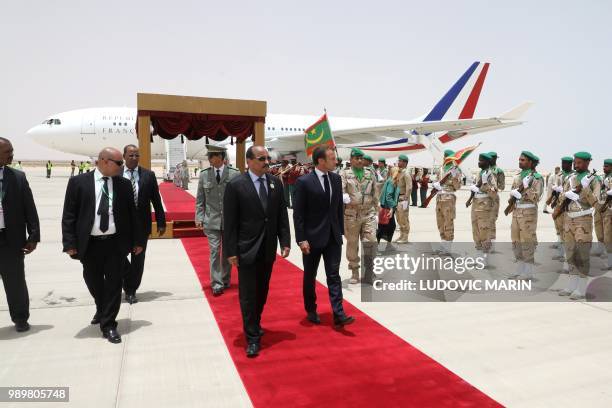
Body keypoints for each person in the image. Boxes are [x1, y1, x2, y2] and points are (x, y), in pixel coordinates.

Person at [61, 147, 144, 343]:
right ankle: (102, 307)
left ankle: (108, 325)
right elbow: (69, 215)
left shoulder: (123, 185)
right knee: (93, 280)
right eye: (119, 163)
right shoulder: (78, 183)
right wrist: (70, 243)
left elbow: (133, 215)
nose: (122, 166)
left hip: (115, 244)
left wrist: (137, 241)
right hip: (90, 244)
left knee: (114, 284)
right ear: (105, 161)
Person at [223, 145, 291, 358]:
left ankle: (255, 321)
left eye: (268, 158)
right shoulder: (236, 185)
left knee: (262, 291)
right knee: (248, 295)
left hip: (268, 248)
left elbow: (281, 216)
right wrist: (231, 251)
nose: (266, 162)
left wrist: (285, 241)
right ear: (249, 161)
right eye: (262, 158)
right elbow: (230, 222)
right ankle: (252, 337)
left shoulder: (274, 183)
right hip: (246, 249)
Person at [293, 145, 354, 327]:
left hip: (333, 237)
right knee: (310, 275)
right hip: (311, 239)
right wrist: (301, 239)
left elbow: (337, 209)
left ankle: (338, 313)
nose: (336, 161)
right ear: (321, 161)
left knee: (333, 275)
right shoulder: (304, 182)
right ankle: (311, 309)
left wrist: (340, 232)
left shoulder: (335, 179)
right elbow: (299, 214)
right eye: (333, 158)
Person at [0, 138, 40, 332]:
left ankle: (21, 318)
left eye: (12, 150)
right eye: (7, 151)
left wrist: (33, 236)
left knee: (15, 283)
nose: (11, 154)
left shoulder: (18, 177)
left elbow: (29, 208)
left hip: (10, 240)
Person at [121, 145, 166, 304]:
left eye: (136, 155)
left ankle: (131, 290)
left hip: (141, 226)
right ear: (124, 156)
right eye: (131, 155)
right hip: (120, 226)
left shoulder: (148, 175)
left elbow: (156, 200)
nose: (134, 158)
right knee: (119, 257)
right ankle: (127, 282)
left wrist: (161, 221)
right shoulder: (116, 173)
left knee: (138, 260)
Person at [195, 145, 239, 296]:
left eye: (212, 156)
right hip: (211, 221)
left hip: (230, 221)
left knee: (228, 252)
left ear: (220, 156)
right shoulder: (204, 175)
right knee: (214, 252)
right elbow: (200, 199)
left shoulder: (234, 174)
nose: (210, 159)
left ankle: (225, 279)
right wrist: (199, 217)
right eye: (209, 156)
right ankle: (217, 283)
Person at [557, 152, 599, 300]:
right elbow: (561, 197)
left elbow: (598, 204)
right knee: (570, 253)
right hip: (569, 220)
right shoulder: (570, 178)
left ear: (588, 163)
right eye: (575, 162)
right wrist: (567, 194)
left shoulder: (594, 180)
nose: (576, 165)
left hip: (583, 220)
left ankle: (581, 288)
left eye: (580, 162)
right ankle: (571, 285)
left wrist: (585, 190)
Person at [340, 148, 380, 284]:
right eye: (356, 158)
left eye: (360, 158)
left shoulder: (370, 173)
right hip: (352, 214)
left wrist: (377, 210)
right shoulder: (345, 173)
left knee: (371, 241)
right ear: (351, 160)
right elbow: (341, 189)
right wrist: (343, 196)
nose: (359, 160)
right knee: (352, 244)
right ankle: (354, 271)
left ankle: (369, 272)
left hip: (368, 213)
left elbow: (375, 192)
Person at [507, 151, 544, 279]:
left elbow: (537, 197)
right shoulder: (518, 176)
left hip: (528, 213)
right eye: (519, 159)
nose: (520, 162)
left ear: (530, 162)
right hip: (516, 211)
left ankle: (528, 273)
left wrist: (526, 188)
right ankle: (520, 270)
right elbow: (512, 194)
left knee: (527, 241)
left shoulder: (537, 177)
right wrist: (511, 197)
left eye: (523, 160)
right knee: (516, 241)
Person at [469, 153, 498, 266]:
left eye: (481, 161)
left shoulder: (490, 175)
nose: (478, 162)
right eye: (478, 160)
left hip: (485, 207)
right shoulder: (480, 173)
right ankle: (478, 259)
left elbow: (494, 193)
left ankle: (485, 260)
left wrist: (485, 183)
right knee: (476, 232)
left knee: (484, 233)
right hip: (476, 205)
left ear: (486, 162)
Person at [432, 150, 462, 254]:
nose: (446, 158)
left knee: (448, 222)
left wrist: (454, 177)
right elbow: (437, 181)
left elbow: (458, 186)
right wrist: (435, 184)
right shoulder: (441, 168)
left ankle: (447, 247)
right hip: (439, 197)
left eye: (448, 156)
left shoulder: (455, 169)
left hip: (449, 197)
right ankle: (443, 244)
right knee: (440, 222)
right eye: (445, 156)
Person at [550, 157, 574, 269]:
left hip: (568, 207)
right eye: (562, 163)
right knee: (559, 229)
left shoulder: (574, 176)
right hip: (559, 205)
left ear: (571, 164)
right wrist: (553, 200)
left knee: (567, 233)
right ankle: (561, 254)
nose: (564, 165)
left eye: (566, 163)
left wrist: (562, 190)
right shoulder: (559, 175)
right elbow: (555, 190)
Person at [377, 166, 400, 243]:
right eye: (399, 172)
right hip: (388, 207)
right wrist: (392, 207)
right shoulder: (392, 182)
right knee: (387, 226)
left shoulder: (392, 181)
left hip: (387, 206)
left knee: (385, 226)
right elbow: (388, 196)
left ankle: (385, 245)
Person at [488, 152, 505, 251]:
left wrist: (495, 188)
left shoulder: (499, 171)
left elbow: (502, 186)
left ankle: (492, 245)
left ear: (494, 159)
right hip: (484, 199)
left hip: (493, 198)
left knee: (491, 221)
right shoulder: (484, 170)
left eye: (491, 158)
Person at [394, 154, 412, 243]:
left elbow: (409, 187)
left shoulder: (406, 173)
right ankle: (401, 235)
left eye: (400, 161)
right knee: (399, 218)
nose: (398, 162)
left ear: (405, 163)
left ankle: (405, 237)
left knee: (404, 218)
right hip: (397, 198)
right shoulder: (399, 172)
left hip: (403, 198)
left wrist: (406, 199)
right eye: (398, 160)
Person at [601, 159, 612, 271]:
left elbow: (610, 194)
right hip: (607, 209)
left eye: (607, 166)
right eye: (604, 166)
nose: (604, 168)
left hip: (609, 209)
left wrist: (604, 206)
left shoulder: (610, 178)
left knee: (608, 236)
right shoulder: (606, 177)